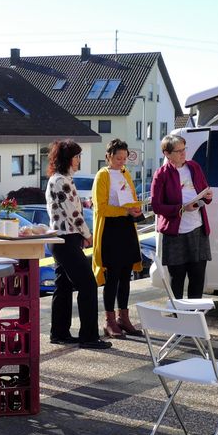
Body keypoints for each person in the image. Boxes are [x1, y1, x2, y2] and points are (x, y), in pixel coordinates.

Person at [46, 140, 111, 349]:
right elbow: (73, 214)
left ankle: (59, 333)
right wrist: (87, 234)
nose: (79, 160)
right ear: (67, 158)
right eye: (76, 156)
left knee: (63, 286)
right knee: (88, 285)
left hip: (62, 239)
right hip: (66, 239)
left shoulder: (61, 179)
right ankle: (89, 336)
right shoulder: (61, 181)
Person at [150, 134, 213, 299]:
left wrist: (207, 196)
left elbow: (204, 192)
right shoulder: (161, 174)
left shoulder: (194, 167)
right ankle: (177, 315)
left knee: (198, 276)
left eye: (184, 149)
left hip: (198, 229)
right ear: (167, 153)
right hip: (175, 233)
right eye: (178, 151)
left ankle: (195, 315)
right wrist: (181, 208)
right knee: (177, 277)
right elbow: (156, 206)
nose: (183, 153)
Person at [92, 139, 143, 338]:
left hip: (126, 227)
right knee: (112, 276)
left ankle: (124, 316)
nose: (121, 162)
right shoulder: (102, 175)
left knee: (126, 275)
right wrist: (124, 210)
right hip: (110, 229)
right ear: (108, 157)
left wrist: (135, 208)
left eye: (124, 158)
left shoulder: (125, 173)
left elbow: (131, 197)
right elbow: (101, 207)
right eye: (118, 158)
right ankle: (109, 320)